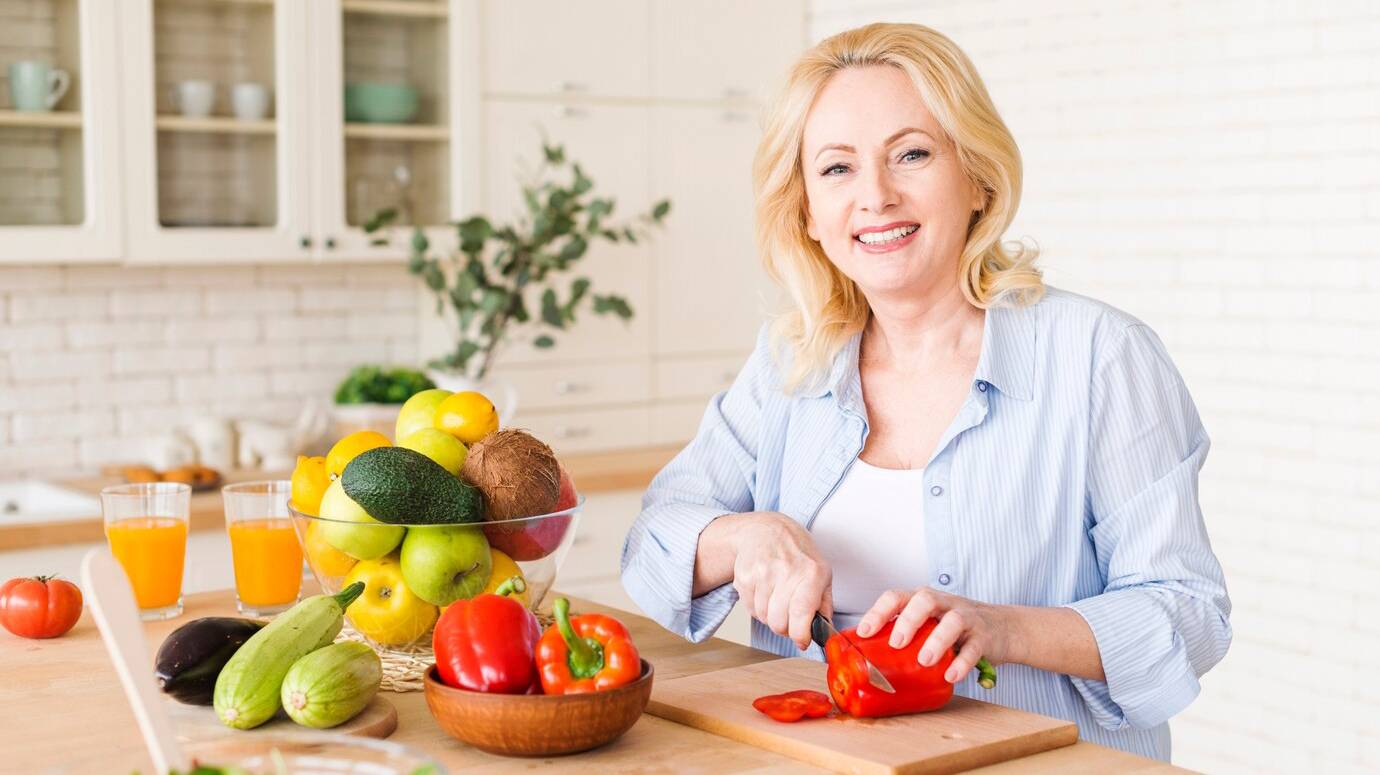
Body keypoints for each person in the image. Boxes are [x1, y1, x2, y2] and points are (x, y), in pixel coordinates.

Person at [619, 22, 1230, 760]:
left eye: (911, 154)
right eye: (837, 169)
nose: (875, 195)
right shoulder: (791, 363)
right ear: (809, 212)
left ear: (977, 177)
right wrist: (743, 536)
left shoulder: (1101, 357)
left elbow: (1189, 613)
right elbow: (653, 540)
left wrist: (1004, 627)